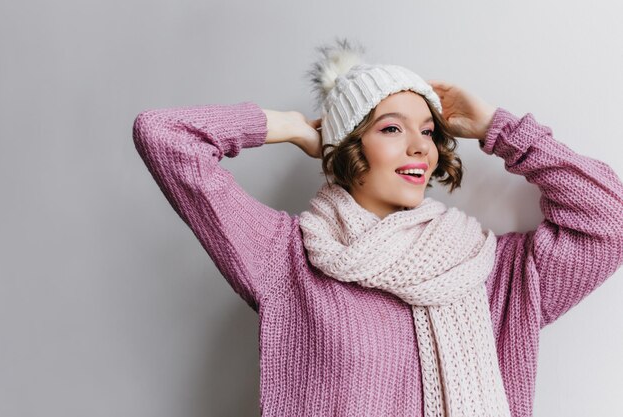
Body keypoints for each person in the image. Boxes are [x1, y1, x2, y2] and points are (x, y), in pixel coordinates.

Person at [132, 38, 623, 417]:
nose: (420, 147)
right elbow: (166, 137)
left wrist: (500, 128)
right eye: (391, 128)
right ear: (349, 145)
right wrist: (292, 127)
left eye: (428, 131)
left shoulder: (494, 274)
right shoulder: (286, 257)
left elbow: (607, 218)